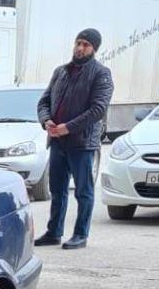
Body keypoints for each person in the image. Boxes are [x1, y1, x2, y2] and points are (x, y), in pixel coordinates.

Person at [35, 28, 113, 250]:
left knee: (83, 191)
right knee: (57, 190)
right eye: (78, 43)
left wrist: (68, 128)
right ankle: (54, 232)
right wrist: (46, 121)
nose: (80, 48)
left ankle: (80, 234)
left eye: (86, 45)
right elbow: (44, 101)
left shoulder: (101, 74)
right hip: (57, 142)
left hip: (81, 144)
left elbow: (98, 110)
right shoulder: (61, 72)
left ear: (94, 49)